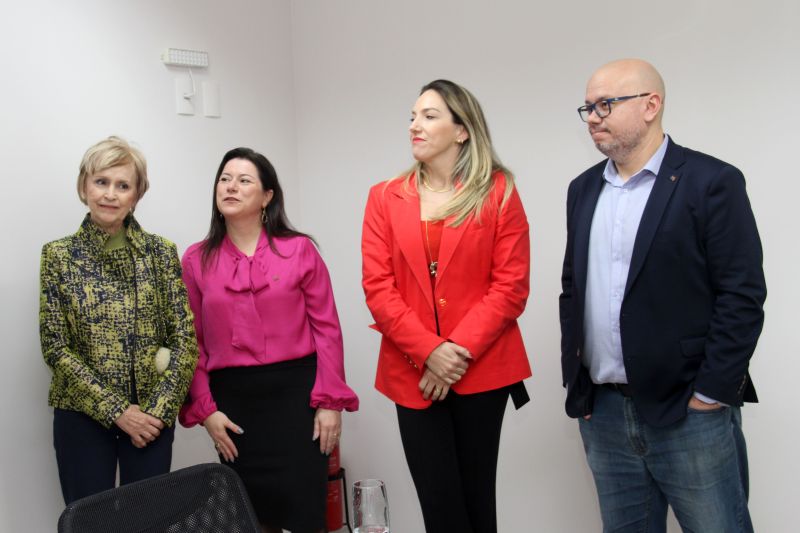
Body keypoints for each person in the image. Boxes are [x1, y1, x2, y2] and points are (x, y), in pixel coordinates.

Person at [560, 58, 766, 532]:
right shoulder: (583, 189)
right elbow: (574, 289)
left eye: (605, 105)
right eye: (588, 107)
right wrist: (579, 387)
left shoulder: (711, 181)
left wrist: (711, 394)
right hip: (605, 413)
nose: (592, 117)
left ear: (651, 105)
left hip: (689, 412)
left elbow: (742, 294)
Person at [361, 79, 531, 533]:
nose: (414, 125)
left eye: (429, 116)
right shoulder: (384, 196)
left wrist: (452, 354)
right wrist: (428, 352)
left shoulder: (499, 191)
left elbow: (511, 286)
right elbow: (378, 288)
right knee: (440, 508)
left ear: (462, 130)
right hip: (411, 371)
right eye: (412, 117)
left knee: (478, 504)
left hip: (482, 369)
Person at [179, 147, 358, 533]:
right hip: (235, 407)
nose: (230, 187)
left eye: (244, 181)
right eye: (225, 179)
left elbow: (327, 329)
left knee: (308, 518)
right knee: (252, 519)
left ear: (267, 196)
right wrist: (207, 411)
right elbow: (191, 344)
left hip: (298, 401)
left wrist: (330, 403)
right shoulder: (195, 260)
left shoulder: (299, 249)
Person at [39, 136, 198, 504]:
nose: (110, 194)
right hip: (81, 415)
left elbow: (185, 340)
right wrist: (117, 411)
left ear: (136, 194)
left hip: (150, 419)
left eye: (123, 185)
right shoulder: (58, 256)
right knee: (88, 522)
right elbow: (55, 347)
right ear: (84, 187)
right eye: (101, 182)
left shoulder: (161, 253)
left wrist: (157, 412)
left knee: (147, 522)